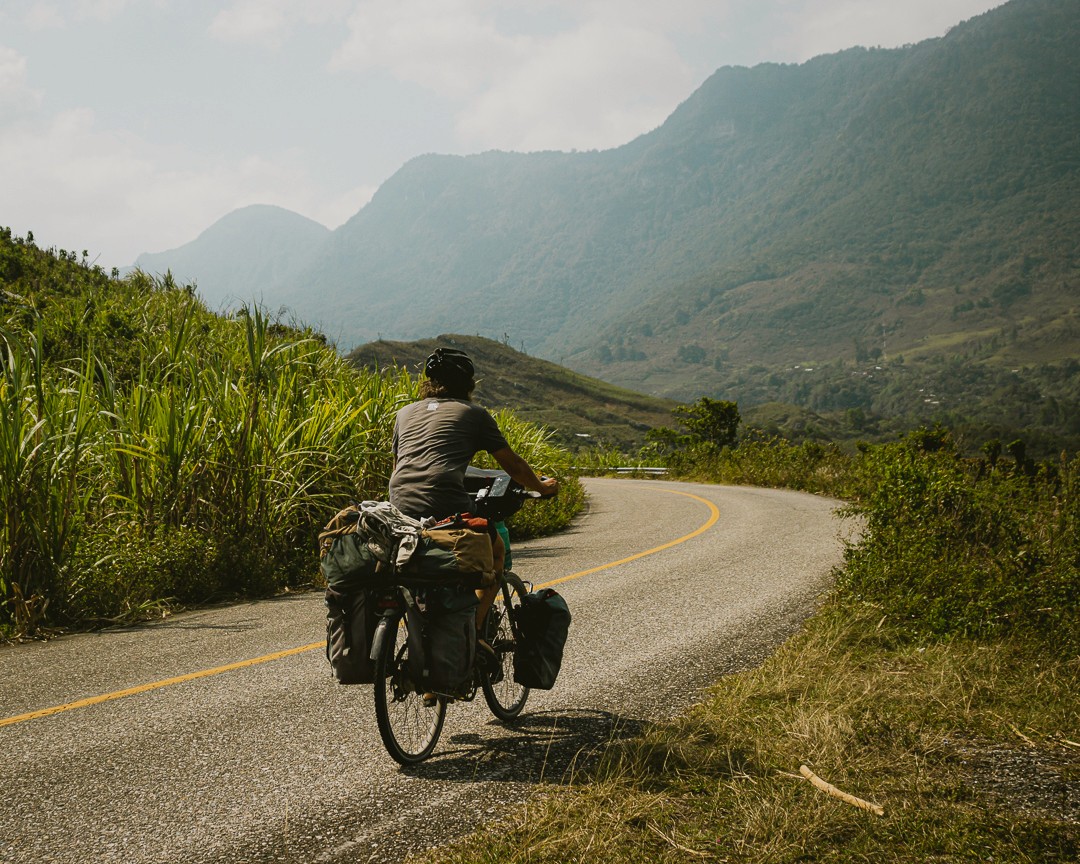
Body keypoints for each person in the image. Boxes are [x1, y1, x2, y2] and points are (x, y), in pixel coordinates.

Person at [388, 347, 558, 643]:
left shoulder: (404, 414)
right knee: (496, 555)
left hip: (399, 507)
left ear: (429, 382)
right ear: (469, 385)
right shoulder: (474, 414)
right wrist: (542, 488)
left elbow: (401, 467)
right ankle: (474, 636)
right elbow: (514, 466)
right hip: (445, 506)